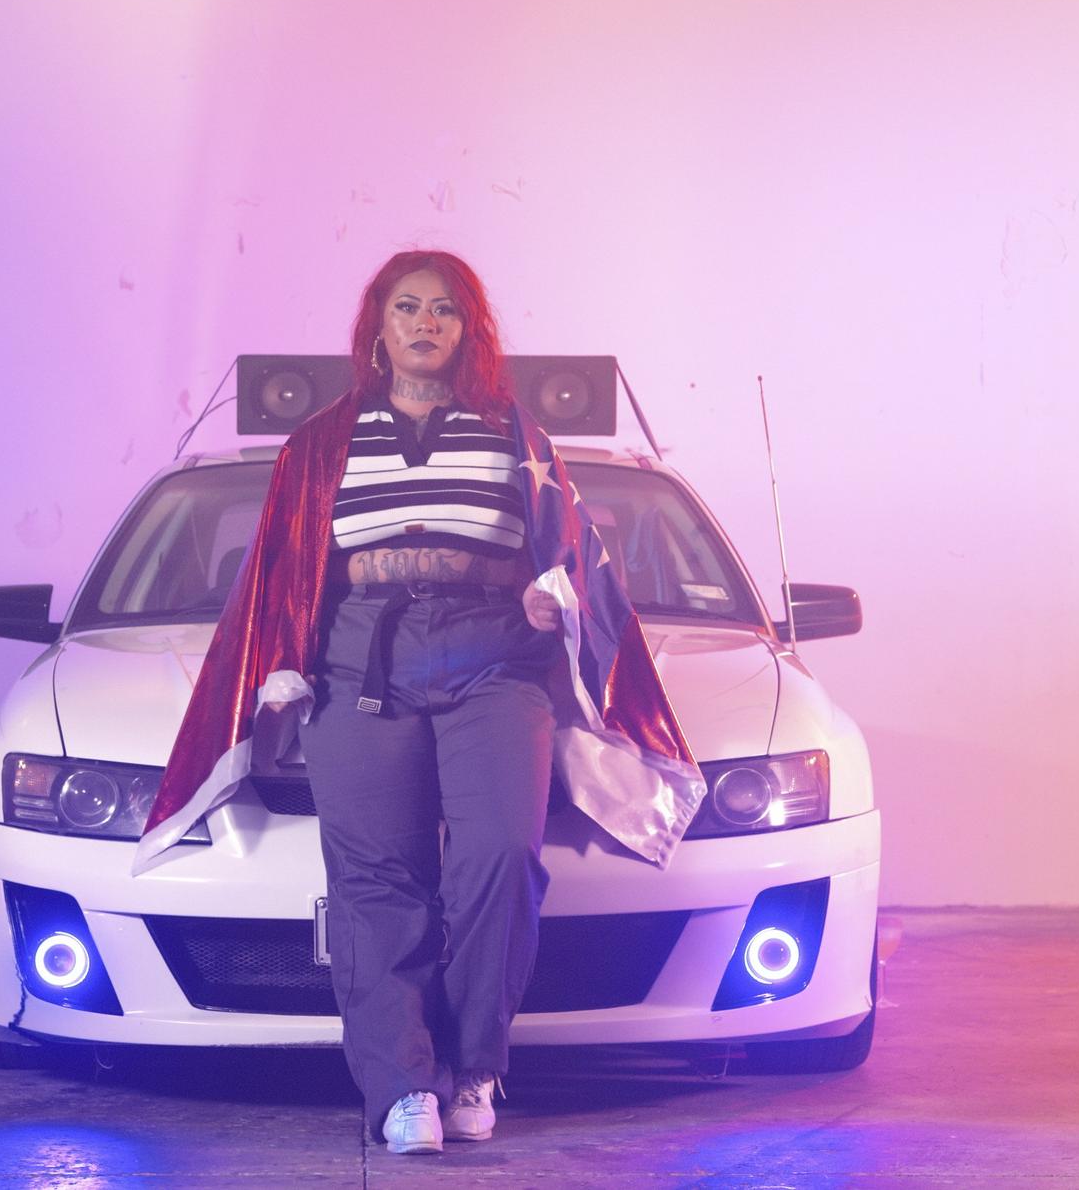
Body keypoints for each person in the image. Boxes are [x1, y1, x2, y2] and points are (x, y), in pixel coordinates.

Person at [134, 250, 707, 1155]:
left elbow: (576, 556)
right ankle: (405, 1090)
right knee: (375, 882)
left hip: (495, 661)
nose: (426, 324)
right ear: (379, 325)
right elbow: (281, 575)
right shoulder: (321, 443)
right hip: (362, 664)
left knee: (499, 855)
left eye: (445, 310)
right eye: (408, 308)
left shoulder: (514, 432)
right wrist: (284, 662)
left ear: (468, 329)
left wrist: (546, 596)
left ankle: (476, 1067)